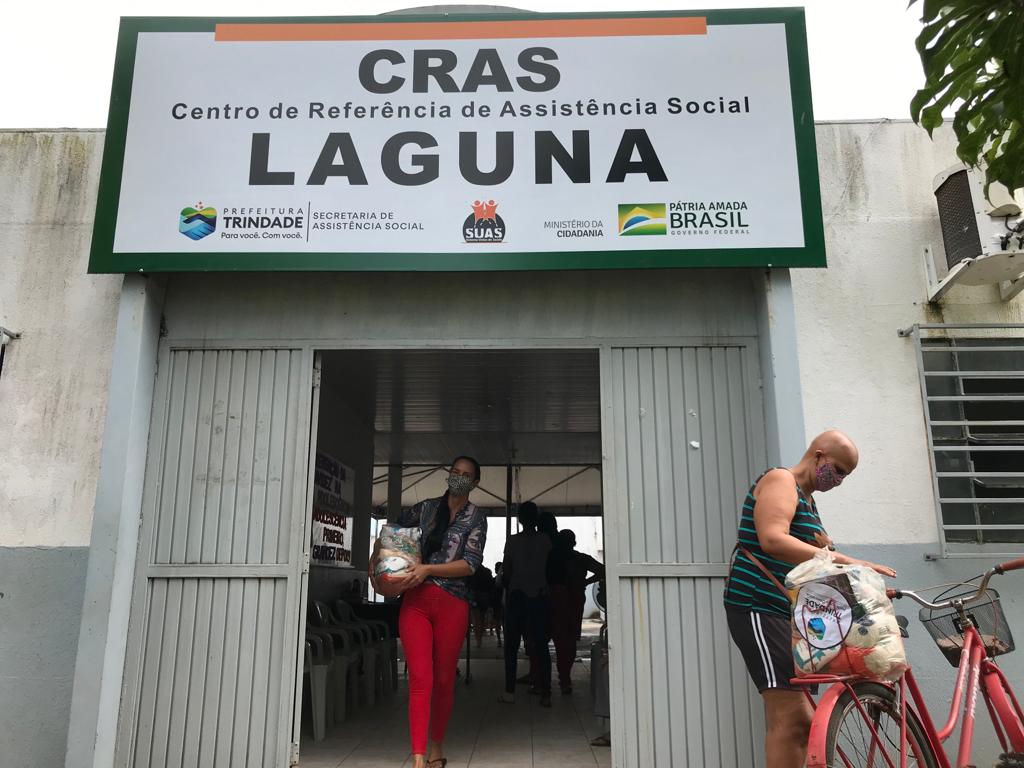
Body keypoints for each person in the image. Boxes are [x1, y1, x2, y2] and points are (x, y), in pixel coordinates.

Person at [723, 431, 897, 768]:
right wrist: (849, 561)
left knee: (801, 724)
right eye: (838, 470)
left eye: (846, 475)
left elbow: (814, 567)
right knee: (792, 721)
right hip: (759, 605)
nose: (839, 480)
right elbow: (772, 539)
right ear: (818, 456)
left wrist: (865, 590)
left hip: (789, 617)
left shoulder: (808, 502)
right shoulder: (781, 480)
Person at [371, 456, 487, 768]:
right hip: (416, 604)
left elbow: (470, 564)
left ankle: (436, 746)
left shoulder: (477, 517)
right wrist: (376, 560)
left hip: (453, 604)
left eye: (465, 475)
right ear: (448, 475)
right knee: (420, 679)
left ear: (475, 483)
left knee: (444, 680)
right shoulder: (425, 509)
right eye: (454, 472)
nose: (458, 477)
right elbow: (391, 531)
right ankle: (419, 758)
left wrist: (428, 569)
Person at [498, 501, 553, 707]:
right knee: (541, 645)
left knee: (511, 646)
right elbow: (549, 567)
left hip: (517, 595)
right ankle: (546, 693)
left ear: (520, 519)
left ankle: (509, 692)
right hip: (539, 595)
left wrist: (508, 585)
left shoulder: (512, 541)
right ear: (536, 518)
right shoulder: (545, 540)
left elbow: (507, 568)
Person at [547, 529, 604, 693]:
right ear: (574, 542)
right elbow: (602, 570)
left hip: (556, 601)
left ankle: (563, 676)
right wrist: (584, 582)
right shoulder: (581, 559)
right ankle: (565, 677)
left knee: (559, 640)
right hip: (575, 600)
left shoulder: (551, 558)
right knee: (570, 640)